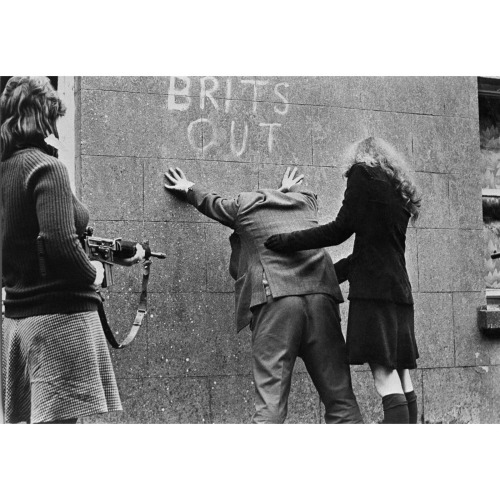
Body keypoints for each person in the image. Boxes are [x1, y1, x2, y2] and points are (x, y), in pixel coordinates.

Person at [164, 166, 363, 424]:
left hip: (277, 301)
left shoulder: (244, 207)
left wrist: (189, 187)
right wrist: (285, 193)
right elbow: (275, 209)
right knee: (341, 400)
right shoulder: (305, 202)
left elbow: (211, 202)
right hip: (321, 298)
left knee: (271, 403)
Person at [1, 76, 144, 424]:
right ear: (44, 117)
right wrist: (94, 273)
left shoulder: (6, 170)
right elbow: (62, 246)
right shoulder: (47, 167)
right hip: (60, 319)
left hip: (19, 319)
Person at [265, 137, 422, 424]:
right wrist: (325, 275)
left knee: (385, 379)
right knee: (402, 376)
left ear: (362, 157)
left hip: (375, 296)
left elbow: (339, 230)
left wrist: (287, 242)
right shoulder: (396, 191)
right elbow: (369, 254)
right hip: (400, 294)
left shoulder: (362, 174)